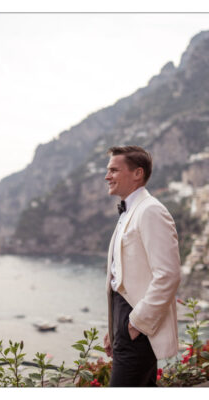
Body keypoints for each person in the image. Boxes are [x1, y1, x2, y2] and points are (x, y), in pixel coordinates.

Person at [103, 145, 181, 387]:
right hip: (124, 320)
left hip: (137, 324)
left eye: (114, 170)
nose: (107, 176)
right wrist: (114, 327)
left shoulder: (151, 210)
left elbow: (168, 274)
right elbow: (122, 280)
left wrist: (137, 323)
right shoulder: (130, 211)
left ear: (137, 173)